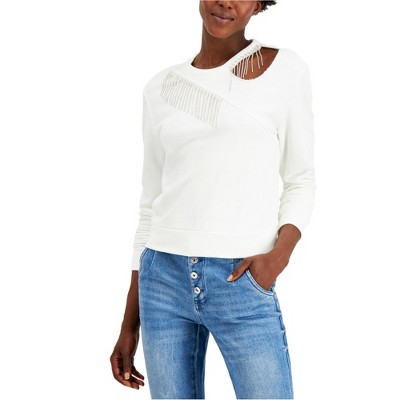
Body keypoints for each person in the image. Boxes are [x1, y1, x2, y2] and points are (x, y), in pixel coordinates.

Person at [110, 1, 315, 398]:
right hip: (161, 280)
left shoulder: (285, 70)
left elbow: (301, 179)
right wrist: (128, 323)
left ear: (259, 5)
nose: (225, 2)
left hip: (242, 277)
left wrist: (277, 258)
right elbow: (150, 203)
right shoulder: (160, 88)